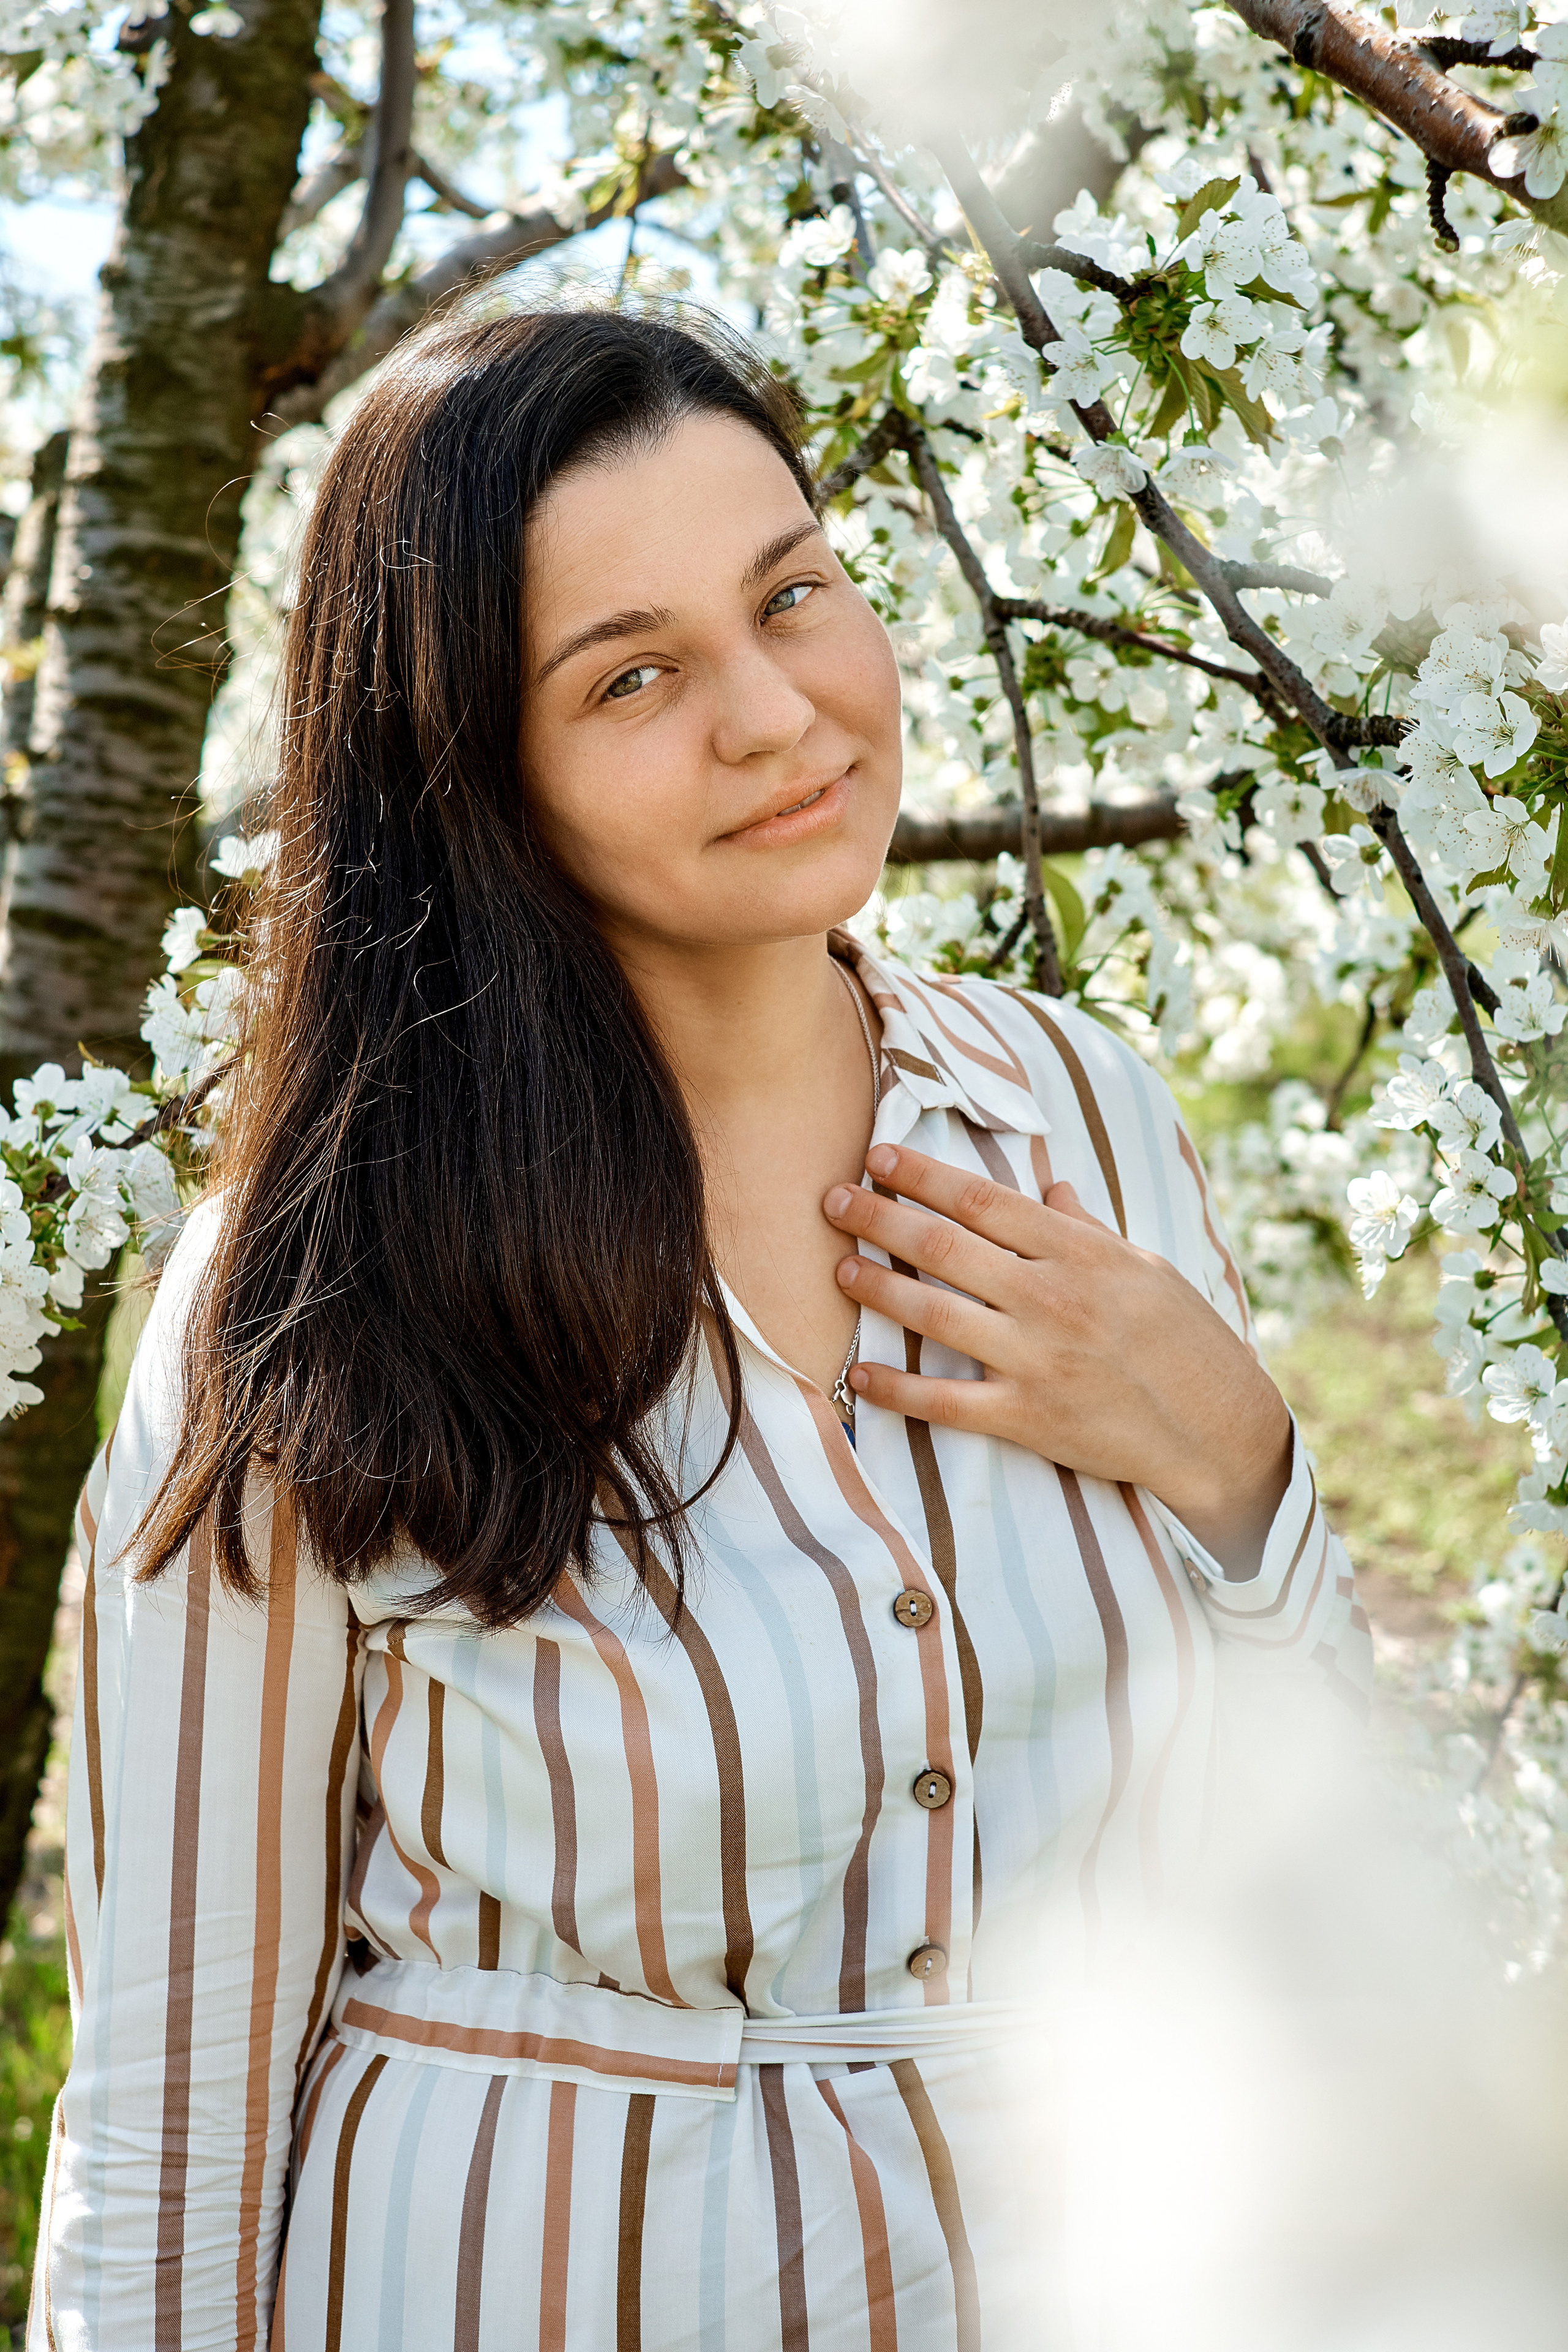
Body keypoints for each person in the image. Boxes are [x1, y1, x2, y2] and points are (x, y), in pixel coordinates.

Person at [31, 305, 1369, 2351]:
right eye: (633, 674)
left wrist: (1238, 1457)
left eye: (794, 594)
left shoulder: (1083, 1116)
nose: (776, 715)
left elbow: (1312, 1810)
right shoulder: (314, 1279)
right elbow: (173, 2093)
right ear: (470, 773)